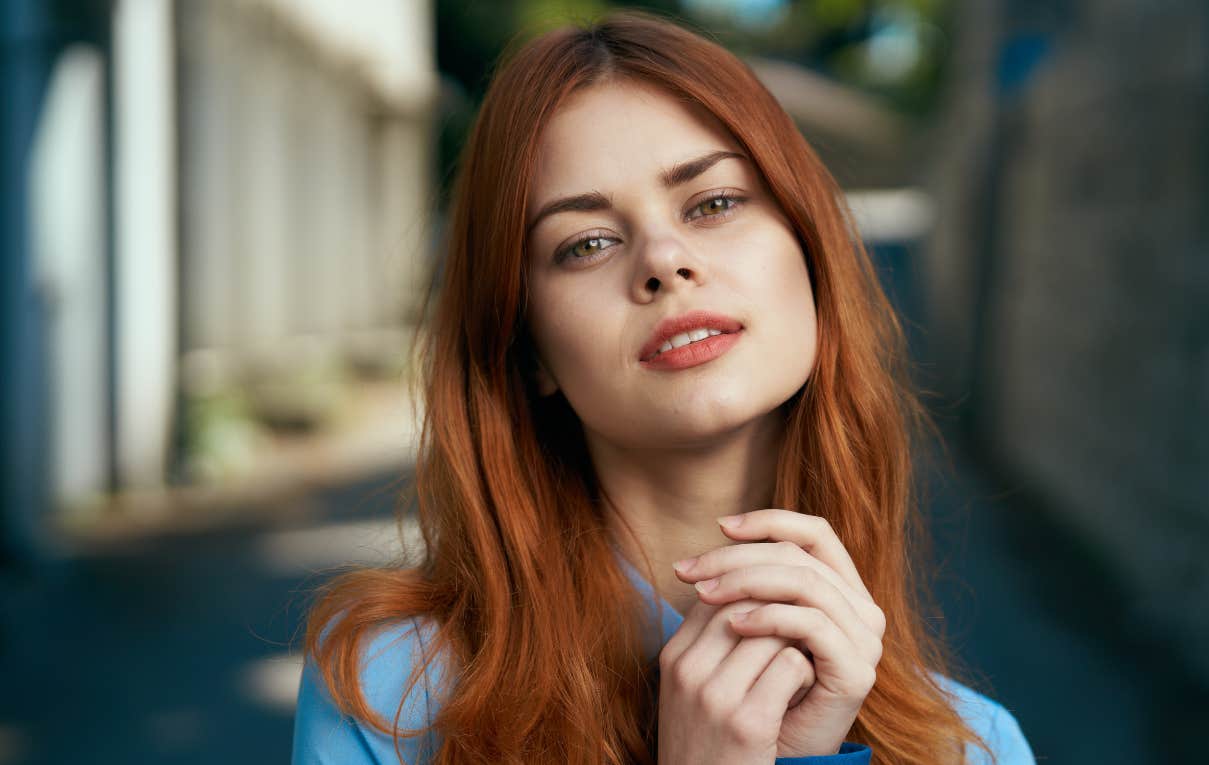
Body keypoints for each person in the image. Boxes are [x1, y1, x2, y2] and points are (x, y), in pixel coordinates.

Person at [291, 10, 1034, 765]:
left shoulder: (976, 748)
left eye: (713, 203)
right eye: (586, 244)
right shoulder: (385, 698)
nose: (665, 259)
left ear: (810, 251)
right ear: (528, 350)